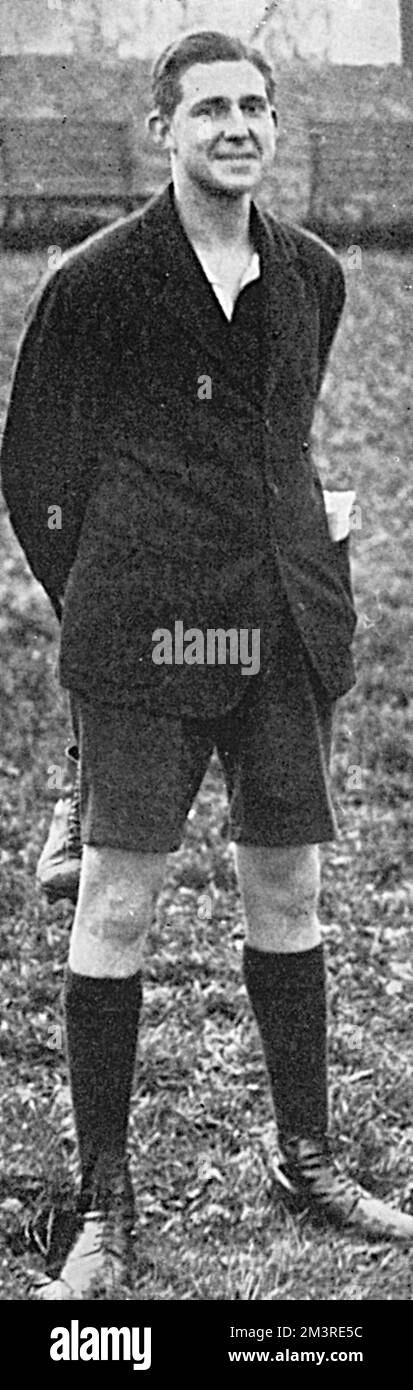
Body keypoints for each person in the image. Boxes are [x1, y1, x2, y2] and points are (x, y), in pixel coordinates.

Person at [2, 30, 412, 1301]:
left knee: (285, 892)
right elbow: (36, 474)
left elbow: (278, 440)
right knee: (116, 903)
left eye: (254, 107)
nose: (235, 126)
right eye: (209, 109)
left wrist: (300, 548)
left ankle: (303, 1156)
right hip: (148, 637)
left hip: (277, 627)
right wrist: (104, 613)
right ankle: (104, 1206)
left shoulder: (314, 275)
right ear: (160, 128)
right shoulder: (98, 278)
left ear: (274, 130)